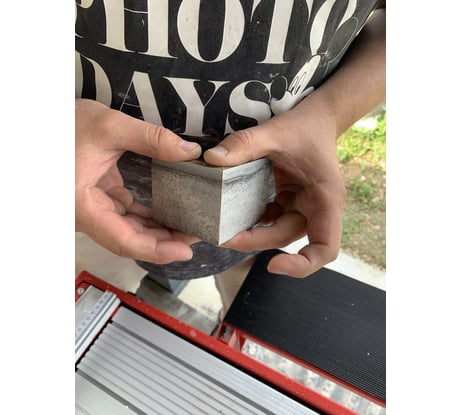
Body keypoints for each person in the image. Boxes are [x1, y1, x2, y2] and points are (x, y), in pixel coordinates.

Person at [76, 0, 386, 317]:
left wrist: (330, 112)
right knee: (98, 312)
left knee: (244, 312)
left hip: (262, 209)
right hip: (93, 198)